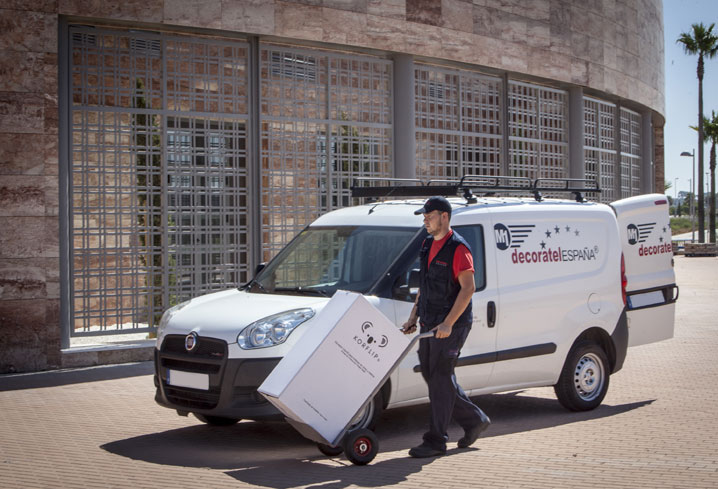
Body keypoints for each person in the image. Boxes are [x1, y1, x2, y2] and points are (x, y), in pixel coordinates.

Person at [401, 195, 491, 458]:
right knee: (433, 375)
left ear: (444, 217)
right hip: (430, 322)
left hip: (452, 325)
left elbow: (468, 289)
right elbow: (425, 286)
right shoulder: (428, 245)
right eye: (424, 217)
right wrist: (413, 317)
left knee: (440, 378)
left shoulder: (458, 248)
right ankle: (475, 419)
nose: (425, 221)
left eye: (429, 217)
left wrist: (449, 323)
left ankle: (436, 440)